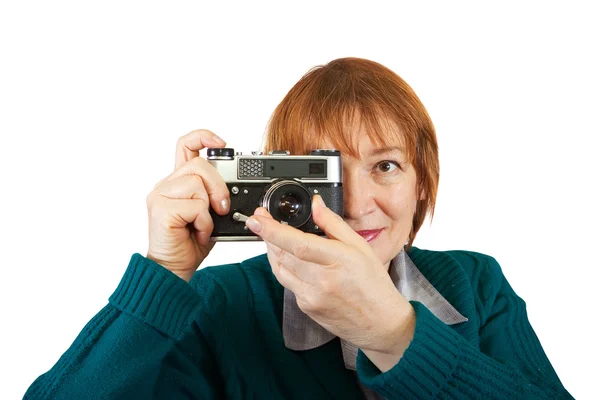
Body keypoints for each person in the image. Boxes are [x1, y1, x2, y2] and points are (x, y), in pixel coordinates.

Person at [24, 58, 572, 399]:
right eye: (326, 174)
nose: (355, 207)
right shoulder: (220, 303)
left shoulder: (476, 282)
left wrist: (396, 336)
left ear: (422, 181)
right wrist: (163, 277)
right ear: (278, 187)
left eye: (386, 166)